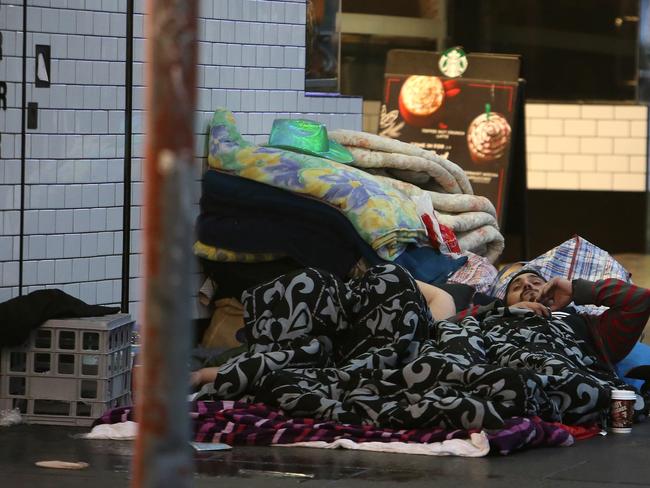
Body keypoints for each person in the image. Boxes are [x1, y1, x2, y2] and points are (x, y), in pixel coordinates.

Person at [455, 268, 650, 369]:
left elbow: (640, 300)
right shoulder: (492, 318)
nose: (528, 286)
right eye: (516, 287)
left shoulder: (590, 328)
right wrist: (503, 311)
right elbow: (441, 329)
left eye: (536, 281)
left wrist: (576, 290)